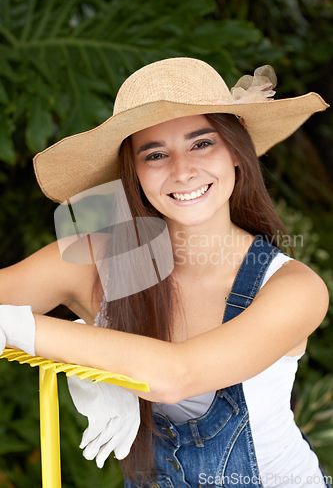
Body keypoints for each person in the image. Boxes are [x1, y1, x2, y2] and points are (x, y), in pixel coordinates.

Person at [0, 57, 331, 488]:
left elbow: (176, 376)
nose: (182, 170)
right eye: (155, 154)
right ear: (133, 173)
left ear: (235, 150)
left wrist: (17, 327)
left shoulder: (292, 287)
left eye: (202, 143)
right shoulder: (92, 263)